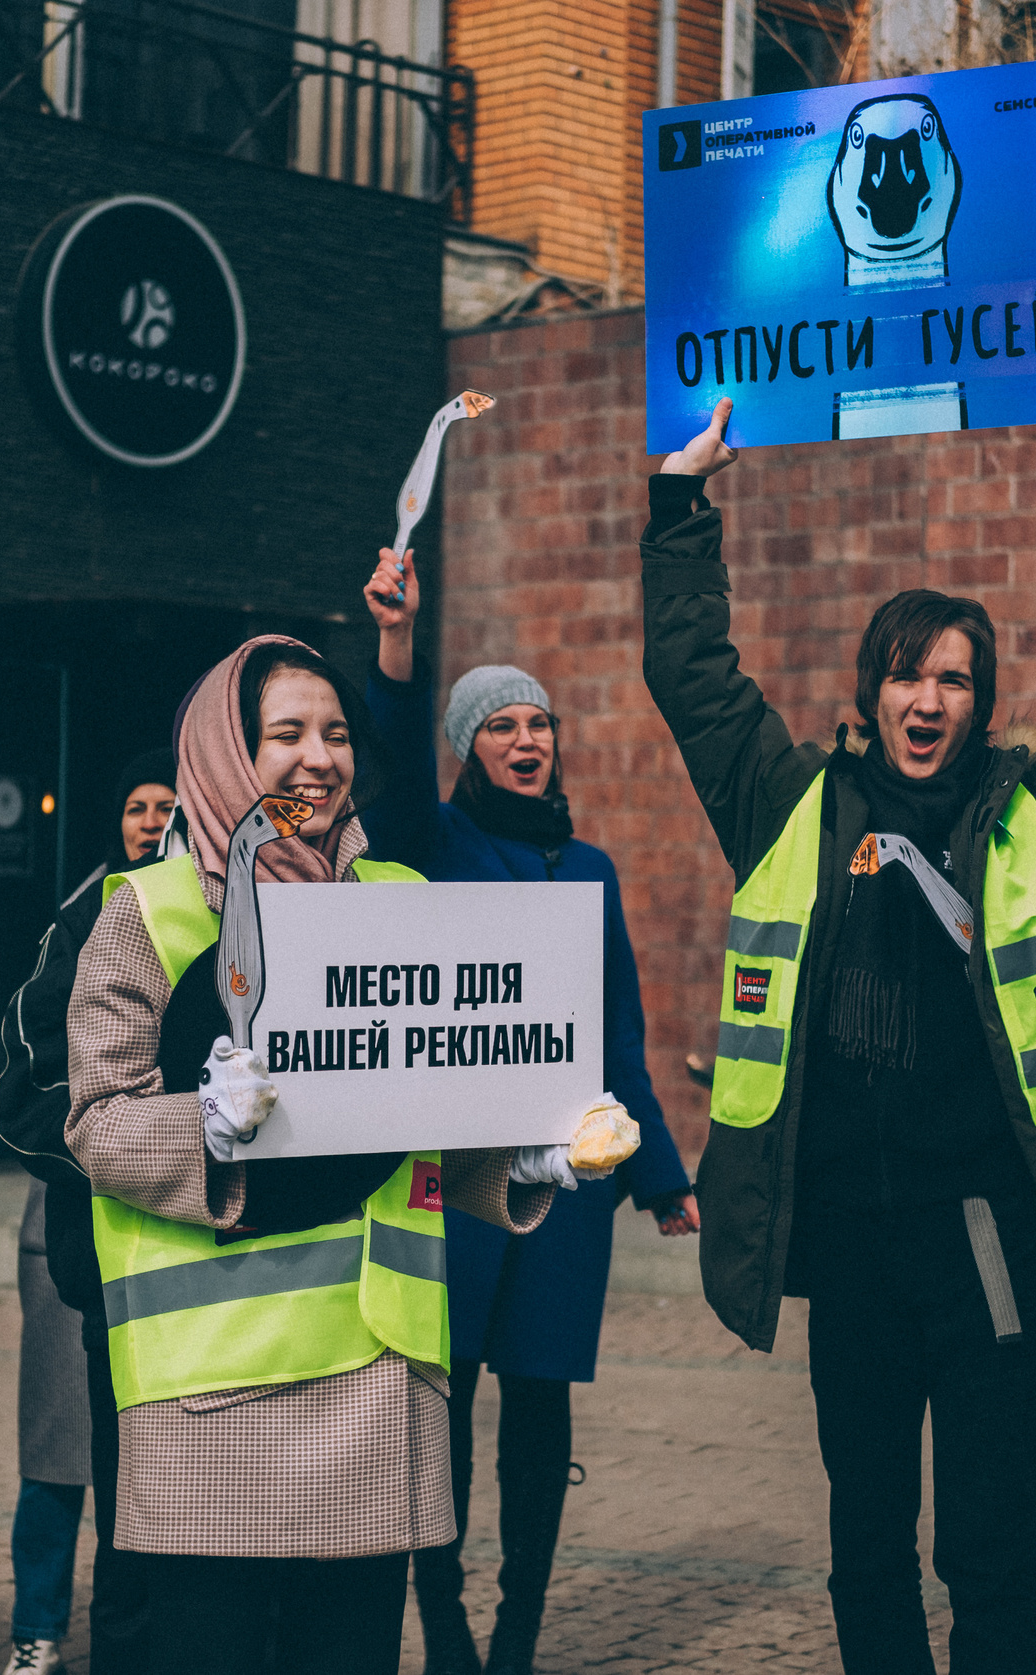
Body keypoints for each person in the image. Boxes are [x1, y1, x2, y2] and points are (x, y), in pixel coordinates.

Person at [640, 375, 1036, 1673]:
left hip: (987, 1237)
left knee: (995, 1544)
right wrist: (677, 503)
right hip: (853, 1248)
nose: (927, 698)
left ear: (981, 698)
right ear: (871, 687)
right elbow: (694, 676)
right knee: (865, 1541)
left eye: (953, 677)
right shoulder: (793, 805)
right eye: (905, 673)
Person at [64, 635, 626, 1674]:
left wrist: (517, 1161)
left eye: (334, 734)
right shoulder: (147, 913)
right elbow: (97, 1121)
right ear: (225, 753)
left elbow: (414, 1114)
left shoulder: (398, 896)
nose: (318, 758)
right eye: (285, 734)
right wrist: (202, 1128)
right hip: (208, 1403)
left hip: (376, 1388)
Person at [359, 562, 697, 1675]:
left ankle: (517, 1634)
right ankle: (446, 1619)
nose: (526, 739)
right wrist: (400, 652)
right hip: (454, 1178)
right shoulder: (434, 846)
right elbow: (397, 779)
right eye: (500, 724)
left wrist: (660, 1175)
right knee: (443, 1412)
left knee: (541, 1411)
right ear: (469, 745)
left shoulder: (589, 868)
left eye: (539, 723)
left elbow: (615, 1033)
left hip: (563, 1185)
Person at [0, 747, 178, 1675]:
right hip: (85, 1248)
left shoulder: (226, 913)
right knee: (66, 1458)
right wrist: (134, 1150)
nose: (153, 819)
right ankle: (40, 1629)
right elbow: (25, 1088)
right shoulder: (84, 913)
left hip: (185, 1267)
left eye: (166, 804)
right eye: (139, 805)